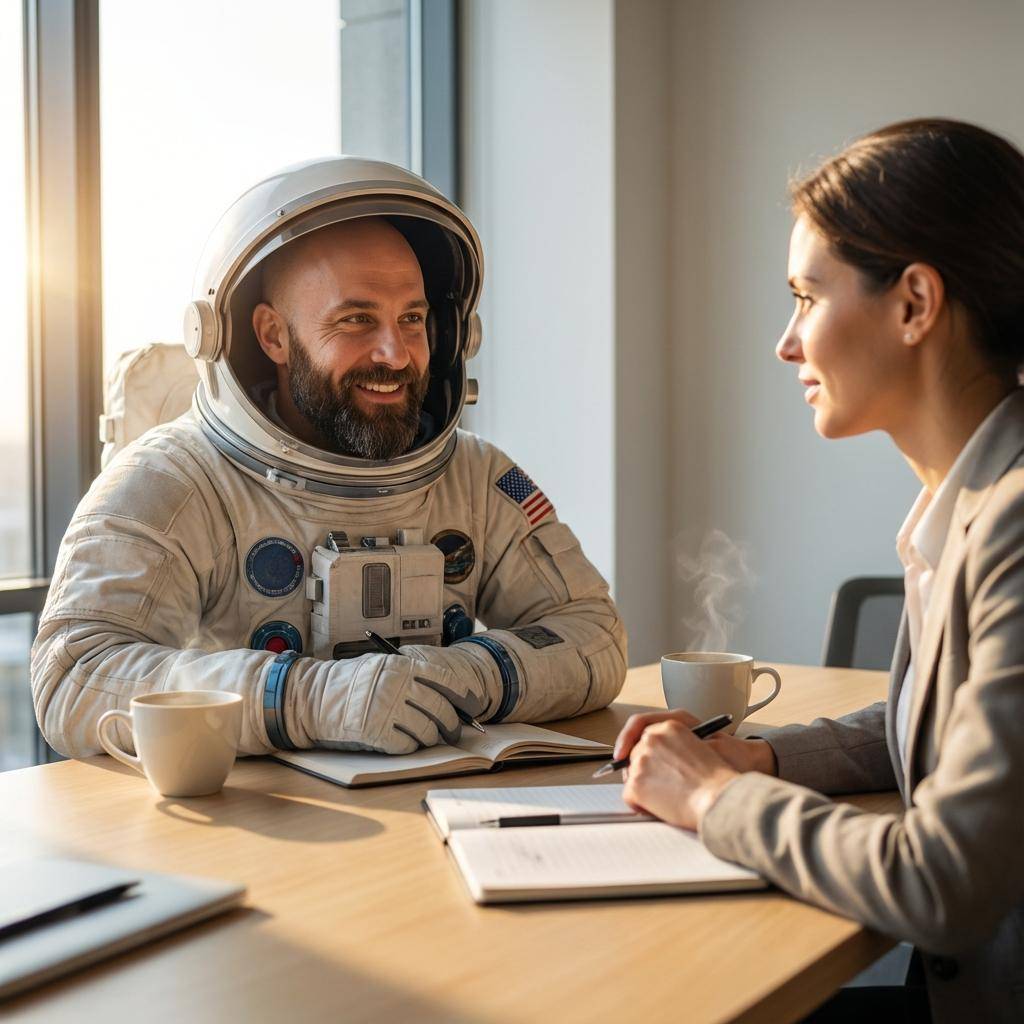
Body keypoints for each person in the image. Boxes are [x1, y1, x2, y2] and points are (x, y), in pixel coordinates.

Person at [614, 119, 1024, 1024]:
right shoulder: (969, 500)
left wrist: (714, 797)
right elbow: (941, 728)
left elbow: (944, 881)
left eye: (806, 296)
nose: (786, 343)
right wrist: (757, 754)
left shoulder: (1015, 522)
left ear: (915, 304)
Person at [32, 156, 626, 757]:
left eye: (412, 319)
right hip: (248, 832)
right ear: (273, 336)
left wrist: (472, 674)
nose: (394, 353)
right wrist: (306, 699)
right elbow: (71, 675)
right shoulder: (173, 482)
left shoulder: (478, 479)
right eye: (357, 320)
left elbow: (595, 633)